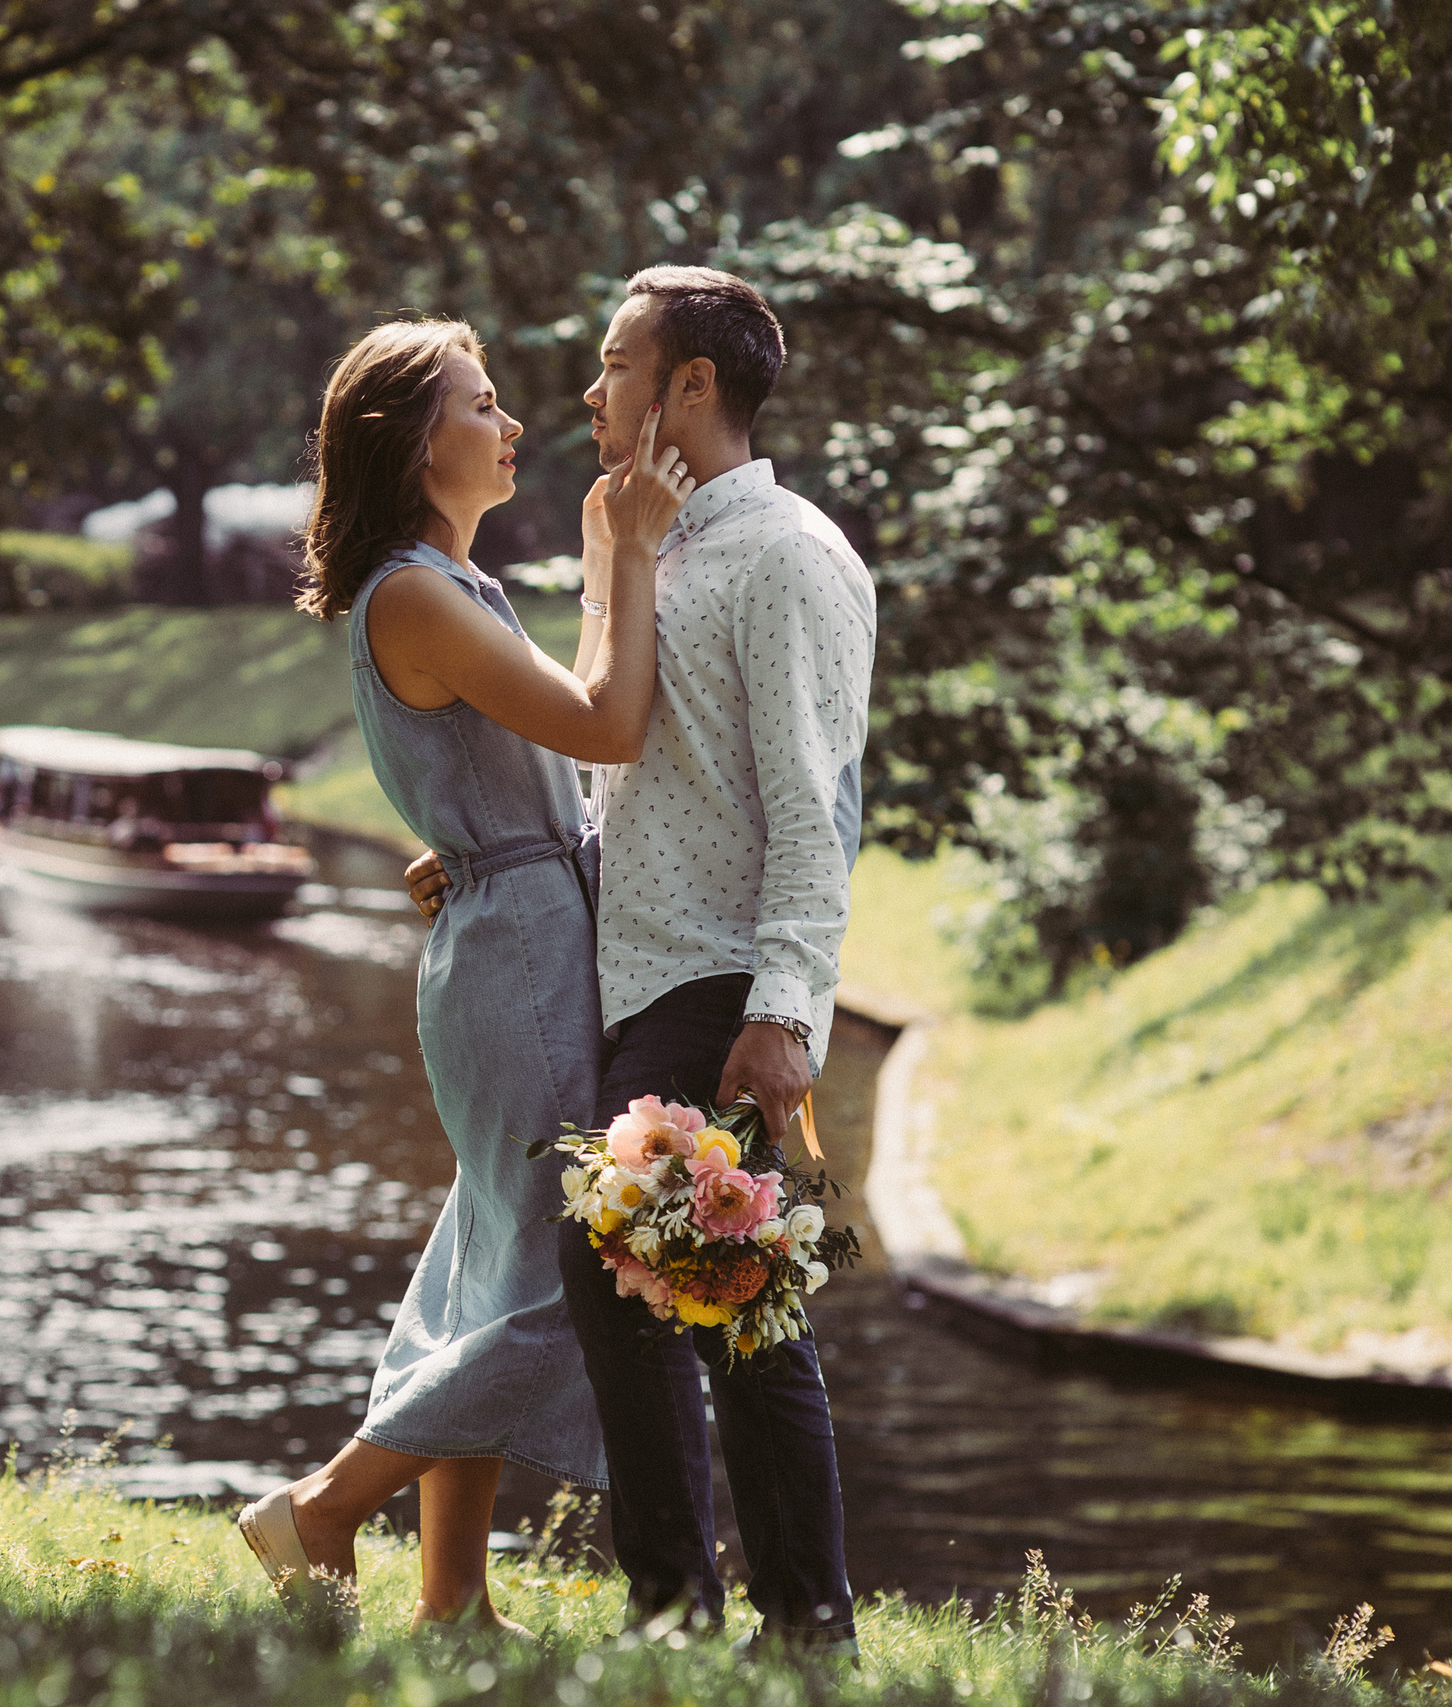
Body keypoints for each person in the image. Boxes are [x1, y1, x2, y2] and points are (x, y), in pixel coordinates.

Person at [410, 269, 876, 1656]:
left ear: (690, 388)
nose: (590, 391)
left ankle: (780, 1628)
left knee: (731, 1309)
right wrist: (490, 856)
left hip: (726, 990)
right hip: (640, 979)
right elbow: (636, 790)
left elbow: (814, 804)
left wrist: (785, 1010)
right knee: (659, 1297)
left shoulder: (789, 554)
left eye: (616, 365)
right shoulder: (656, 544)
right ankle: (702, 1615)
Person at [234, 317, 694, 1631]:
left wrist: (476, 858)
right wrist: (634, 555)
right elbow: (608, 722)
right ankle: (325, 1506)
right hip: (523, 962)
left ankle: (451, 1605)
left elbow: (524, 778)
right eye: (482, 406)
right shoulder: (419, 591)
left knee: (495, 1272)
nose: (512, 426)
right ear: (412, 441)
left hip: (515, 933)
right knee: (566, 1273)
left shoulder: (446, 585)